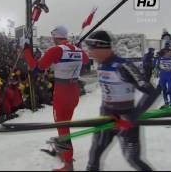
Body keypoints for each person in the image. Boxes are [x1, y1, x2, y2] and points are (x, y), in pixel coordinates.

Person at [84, 30, 161, 171]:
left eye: (92, 49)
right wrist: (105, 114)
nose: (90, 53)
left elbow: (151, 91)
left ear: (103, 48)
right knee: (94, 155)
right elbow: (108, 95)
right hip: (108, 118)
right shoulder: (100, 65)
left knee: (133, 159)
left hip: (126, 120)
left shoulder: (123, 66)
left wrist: (132, 117)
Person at [23, 25, 89, 171]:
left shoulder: (56, 50)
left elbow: (36, 68)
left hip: (62, 93)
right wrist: (75, 49)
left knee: (62, 128)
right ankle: (64, 151)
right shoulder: (78, 50)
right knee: (65, 125)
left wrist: (26, 51)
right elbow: (86, 62)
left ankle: (68, 164)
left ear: (55, 37)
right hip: (74, 92)